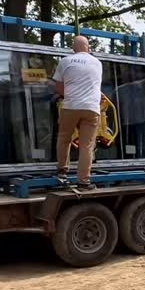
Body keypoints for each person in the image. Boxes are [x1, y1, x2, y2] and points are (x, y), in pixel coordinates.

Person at [53, 36, 103, 188]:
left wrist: (68, 95)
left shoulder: (65, 61)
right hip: (91, 108)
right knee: (86, 145)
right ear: (88, 47)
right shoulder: (97, 63)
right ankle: (84, 181)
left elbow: (59, 88)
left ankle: (62, 171)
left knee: (64, 138)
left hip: (71, 106)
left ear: (73, 48)